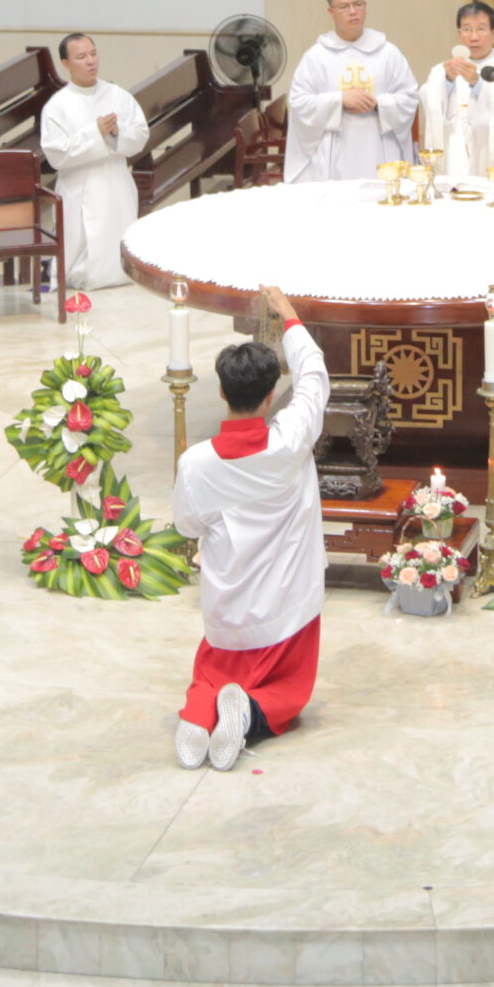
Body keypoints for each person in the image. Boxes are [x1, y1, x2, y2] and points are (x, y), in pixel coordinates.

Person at [171, 285, 332, 770]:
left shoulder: (196, 463)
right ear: (270, 395)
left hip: (229, 607)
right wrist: (288, 315)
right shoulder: (291, 438)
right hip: (287, 604)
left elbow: (187, 524)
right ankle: (250, 714)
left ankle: (198, 716)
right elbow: (314, 374)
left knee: (210, 674)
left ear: (221, 391)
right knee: (289, 690)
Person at [39, 33, 150, 290]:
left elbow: (141, 135)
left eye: (93, 54)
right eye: (81, 57)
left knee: (117, 239)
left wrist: (117, 134)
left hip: (115, 180)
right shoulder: (57, 106)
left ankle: (124, 273)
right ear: (66, 64)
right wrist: (95, 133)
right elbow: (56, 154)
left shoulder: (118, 96)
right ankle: (80, 275)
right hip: (79, 187)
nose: (91, 61)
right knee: (85, 249)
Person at [284, 0, 417, 184]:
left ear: (365, 6)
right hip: (335, 152)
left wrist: (378, 104)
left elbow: (410, 98)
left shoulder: (388, 53)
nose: (353, 11)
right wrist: (340, 100)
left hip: (378, 149)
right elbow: (299, 103)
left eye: (358, 4)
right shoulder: (316, 56)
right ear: (331, 12)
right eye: (344, 6)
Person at [419, 1, 494, 180]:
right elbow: (428, 97)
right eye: (467, 29)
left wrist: (478, 83)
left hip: (490, 155)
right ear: (459, 34)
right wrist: (447, 81)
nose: (474, 37)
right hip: (455, 158)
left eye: (481, 29)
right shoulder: (442, 71)